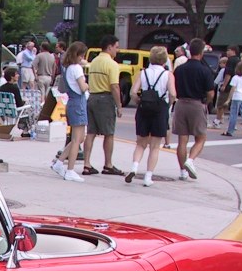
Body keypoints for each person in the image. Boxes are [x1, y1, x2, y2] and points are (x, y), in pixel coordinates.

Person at [126, 45, 175, 187]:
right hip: (160, 109)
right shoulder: (167, 75)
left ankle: (134, 168)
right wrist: (168, 104)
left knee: (140, 143)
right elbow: (173, 94)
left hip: (144, 108)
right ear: (164, 59)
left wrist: (139, 102)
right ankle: (148, 177)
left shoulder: (143, 73)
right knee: (155, 146)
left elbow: (133, 92)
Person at [171, 37, 215, 180]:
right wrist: (206, 103)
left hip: (181, 103)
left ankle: (182, 171)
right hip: (197, 103)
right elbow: (210, 93)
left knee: (182, 140)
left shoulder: (180, 69)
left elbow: (174, 87)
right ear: (201, 52)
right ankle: (190, 160)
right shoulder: (204, 70)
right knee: (201, 137)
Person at [81, 34, 124, 176]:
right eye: (116, 47)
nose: (117, 50)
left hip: (92, 97)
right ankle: (108, 164)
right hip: (105, 99)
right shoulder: (112, 64)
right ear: (110, 47)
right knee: (109, 133)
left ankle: (86, 164)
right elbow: (114, 86)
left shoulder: (94, 62)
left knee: (91, 133)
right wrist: (119, 105)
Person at [50, 41, 89, 183]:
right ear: (77, 55)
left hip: (72, 101)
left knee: (77, 137)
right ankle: (70, 169)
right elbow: (82, 87)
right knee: (77, 139)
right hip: (78, 102)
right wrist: (87, 84)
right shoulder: (77, 69)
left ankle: (60, 162)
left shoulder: (67, 67)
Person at [213, 45, 240, 128]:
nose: (227, 52)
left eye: (229, 50)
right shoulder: (238, 60)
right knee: (233, 105)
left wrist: (224, 85)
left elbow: (228, 73)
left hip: (228, 85)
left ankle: (217, 120)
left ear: (233, 51)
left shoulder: (230, 61)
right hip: (236, 85)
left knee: (221, 103)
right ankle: (233, 124)